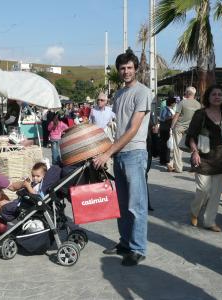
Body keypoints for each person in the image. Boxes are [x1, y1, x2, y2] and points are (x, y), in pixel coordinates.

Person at [93, 49, 152, 266]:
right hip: (119, 154)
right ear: (118, 71)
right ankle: (125, 242)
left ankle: (138, 248)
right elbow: (116, 129)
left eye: (129, 67)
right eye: (122, 68)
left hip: (135, 153)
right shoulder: (118, 95)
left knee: (136, 204)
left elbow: (132, 129)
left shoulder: (143, 92)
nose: (126, 71)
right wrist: (105, 149)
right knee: (122, 204)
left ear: (136, 69)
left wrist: (108, 152)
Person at [187, 84, 222, 232]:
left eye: (220, 94)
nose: (217, 97)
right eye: (214, 94)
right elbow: (191, 136)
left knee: (215, 193)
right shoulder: (200, 114)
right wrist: (194, 152)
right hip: (203, 157)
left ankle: (209, 221)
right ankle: (194, 211)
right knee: (202, 190)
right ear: (208, 97)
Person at [168, 86, 201, 173]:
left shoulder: (182, 103)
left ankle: (178, 168)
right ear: (194, 94)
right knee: (192, 148)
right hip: (191, 129)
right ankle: (194, 166)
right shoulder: (198, 105)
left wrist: (171, 127)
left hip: (179, 128)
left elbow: (176, 116)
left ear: (187, 93)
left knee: (178, 148)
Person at [158, 95, 177, 166]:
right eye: (174, 102)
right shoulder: (166, 109)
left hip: (166, 128)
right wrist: (172, 117)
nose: (175, 104)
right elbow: (163, 118)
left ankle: (165, 159)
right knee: (165, 144)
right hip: (165, 129)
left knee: (166, 144)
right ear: (171, 103)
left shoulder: (168, 109)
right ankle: (164, 160)